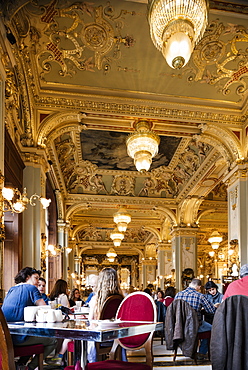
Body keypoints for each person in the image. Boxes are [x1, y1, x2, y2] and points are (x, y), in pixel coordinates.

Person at [2, 267, 57, 370]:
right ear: (27, 277)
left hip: (5, 338)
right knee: (52, 341)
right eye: (36, 278)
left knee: (32, 336)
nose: (37, 282)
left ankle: (20, 365)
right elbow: (45, 308)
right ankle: (30, 368)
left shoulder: (11, 289)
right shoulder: (31, 288)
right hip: (19, 338)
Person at [88, 267, 123, 362]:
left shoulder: (96, 299)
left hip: (100, 336)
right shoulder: (120, 298)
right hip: (116, 336)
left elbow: (91, 319)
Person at [175, 278, 215, 358]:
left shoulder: (178, 295)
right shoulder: (200, 296)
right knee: (212, 329)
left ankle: (185, 349)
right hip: (195, 326)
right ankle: (202, 352)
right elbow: (211, 310)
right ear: (199, 287)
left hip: (180, 326)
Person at [46, 279, 70, 366]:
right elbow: (67, 308)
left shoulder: (52, 296)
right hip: (62, 319)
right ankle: (60, 357)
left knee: (60, 337)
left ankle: (57, 357)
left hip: (54, 319)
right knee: (68, 335)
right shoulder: (63, 296)